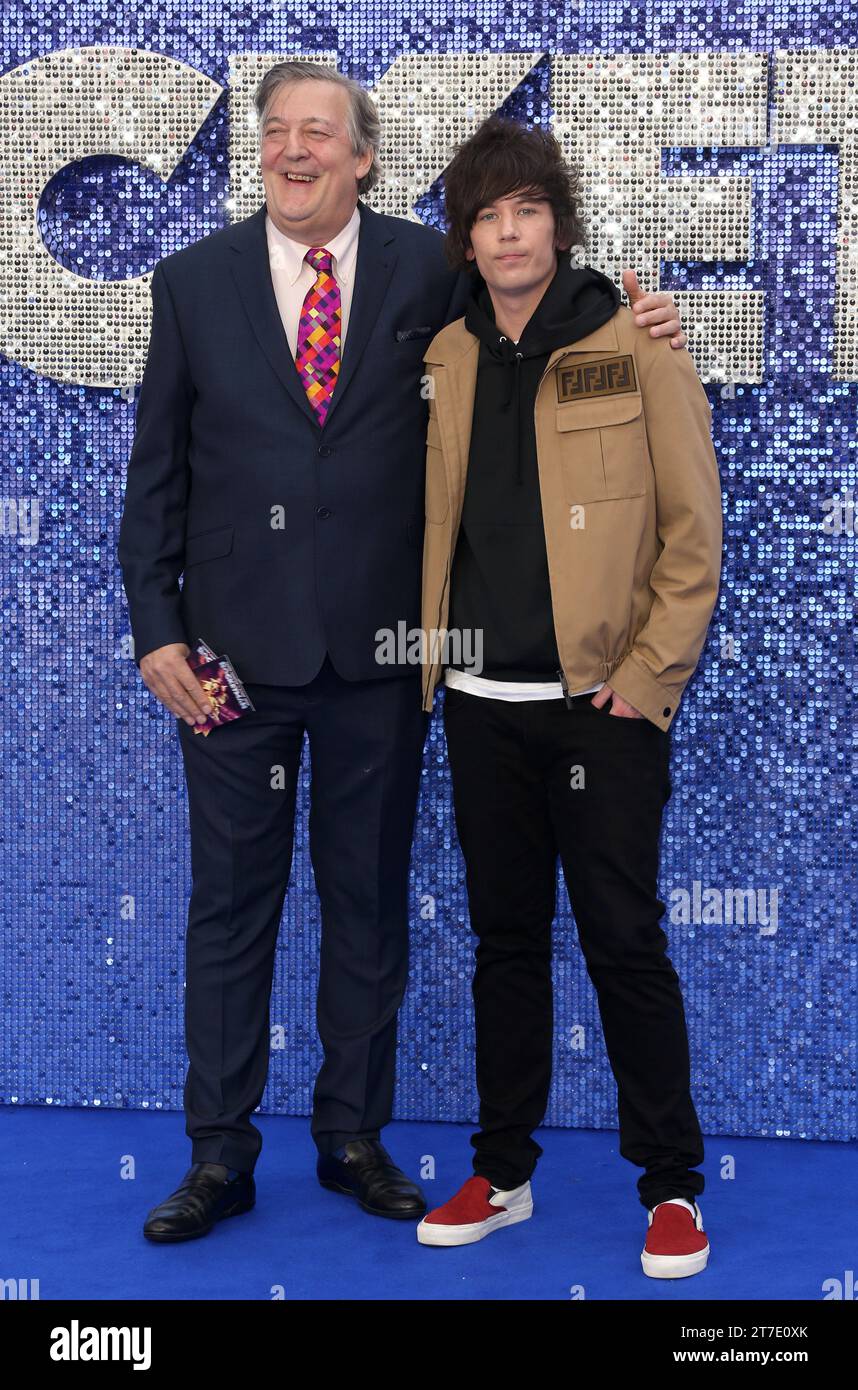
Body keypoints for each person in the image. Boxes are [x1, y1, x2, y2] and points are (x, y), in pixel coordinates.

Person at [117, 62, 689, 1242]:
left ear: (363, 157)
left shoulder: (437, 271)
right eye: (275, 131)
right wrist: (156, 629)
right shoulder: (190, 283)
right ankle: (218, 1155)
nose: (293, 150)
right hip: (233, 662)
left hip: (388, 656)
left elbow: (557, 322)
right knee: (231, 910)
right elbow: (155, 477)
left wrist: (650, 321)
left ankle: (351, 1136)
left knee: (369, 904)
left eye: (318, 132)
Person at [416, 117, 722, 1280]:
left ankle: (674, 1188)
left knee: (624, 941)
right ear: (468, 236)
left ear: (558, 222)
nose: (508, 232)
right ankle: (503, 1172)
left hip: (601, 708)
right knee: (506, 945)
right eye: (488, 215)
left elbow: (695, 536)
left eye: (527, 210)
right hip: (480, 705)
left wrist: (645, 687)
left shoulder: (635, 339)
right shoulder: (441, 352)